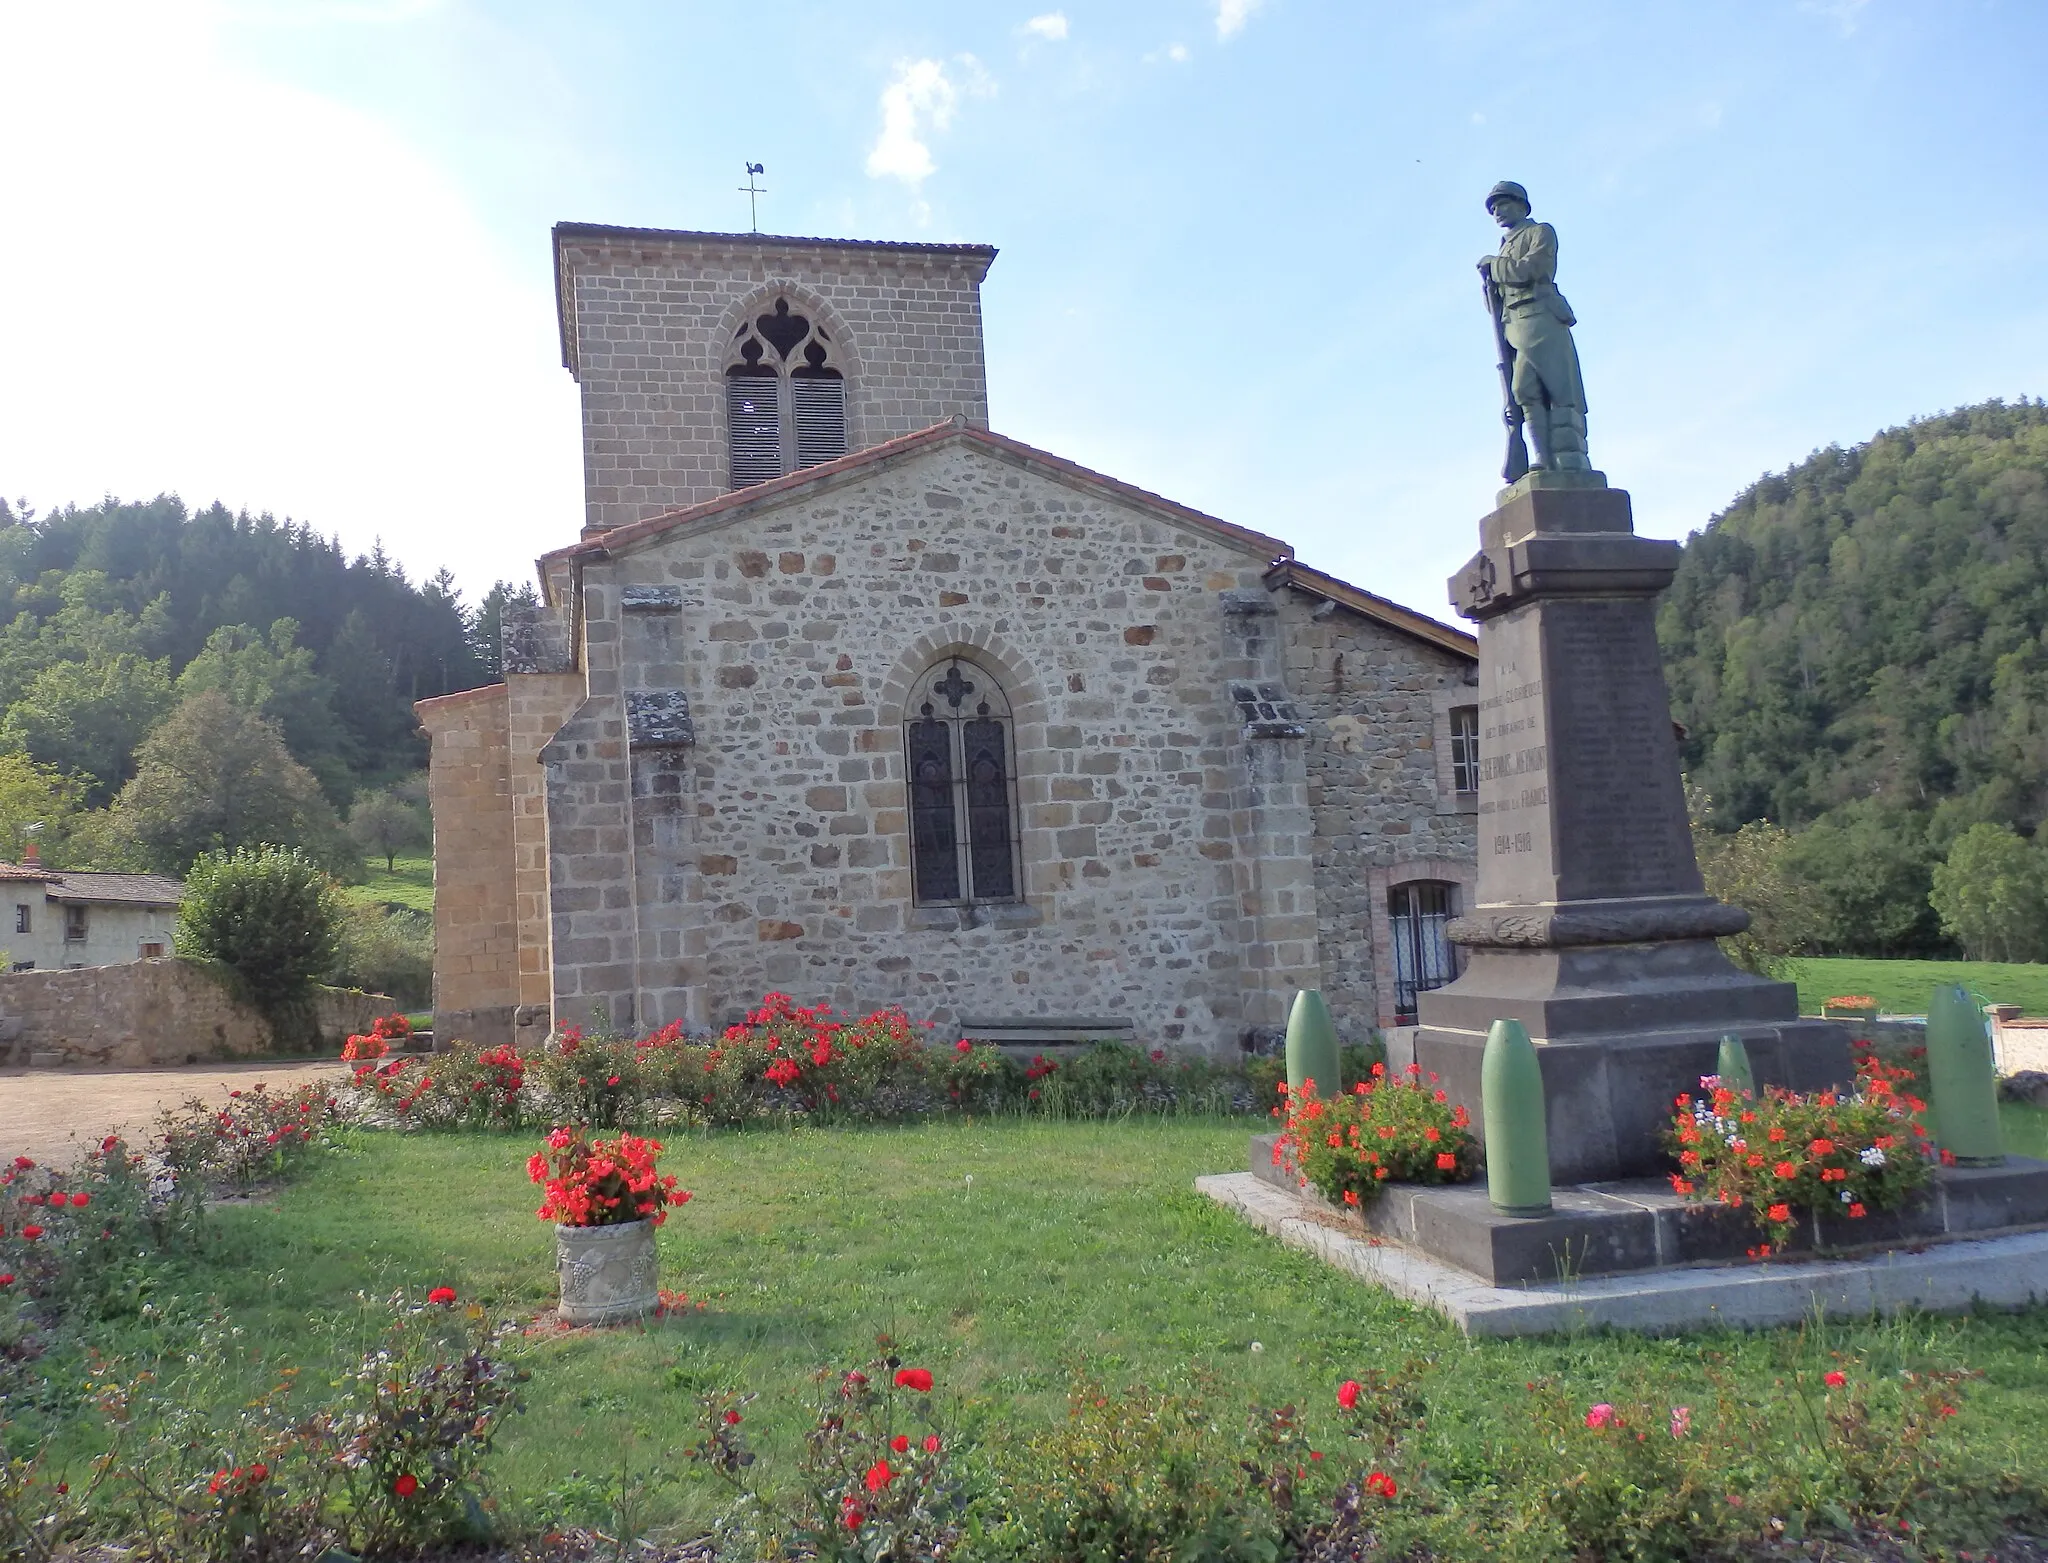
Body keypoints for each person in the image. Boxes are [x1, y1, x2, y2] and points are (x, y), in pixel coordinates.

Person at [1480, 181, 1590, 471]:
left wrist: (1494, 266)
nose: (1497, 212)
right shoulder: (1504, 248)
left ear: (1520, 205)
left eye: (1503, 204)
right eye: (1494, 209)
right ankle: (1542, 458)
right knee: (1524, 390)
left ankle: (1568, 459)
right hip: (1514, 324)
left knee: (1558, 389)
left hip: (1540, 317)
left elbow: (1533, 269)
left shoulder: (1539, 232)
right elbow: (1498, 302)